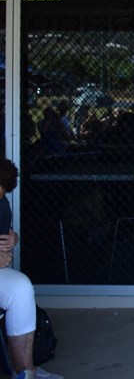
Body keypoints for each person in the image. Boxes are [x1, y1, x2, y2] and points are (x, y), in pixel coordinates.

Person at [0, 158, 63, 379]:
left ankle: (25, 372)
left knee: (21, 287)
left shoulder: (2, 202)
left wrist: (12, 239)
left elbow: (5, 234)